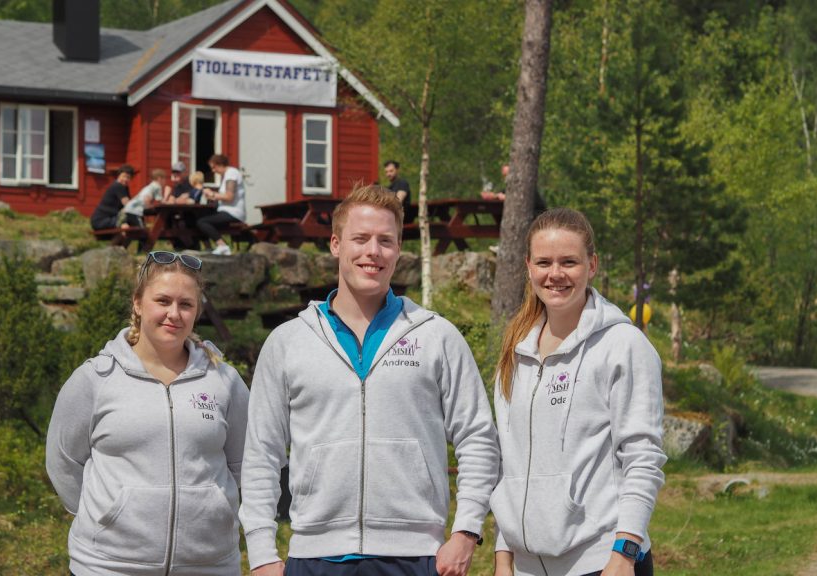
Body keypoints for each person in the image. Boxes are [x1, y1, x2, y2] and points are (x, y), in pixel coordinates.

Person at [239, 184, 500, 576]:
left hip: (415, 555)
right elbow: (261, 453)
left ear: (398, 250)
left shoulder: (437, 336)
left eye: (385, 241)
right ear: (335, 245)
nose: (373, 251)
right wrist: (261, 551)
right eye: (360, 239)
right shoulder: (288, 342)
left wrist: (466, 532)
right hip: (315, 556)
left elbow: (478, 438)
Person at [46, 250, 250, 576]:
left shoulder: (225, 381)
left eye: (186, 304)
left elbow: (246, 464)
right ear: (138, 303)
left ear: (197, 311)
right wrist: (108, 518)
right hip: (108, 567)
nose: (174, 314)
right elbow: (63, 462)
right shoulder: (95, 378)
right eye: (163, 301)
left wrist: (216, 510)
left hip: (209, 566)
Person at [488, 207, 666, 576]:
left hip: (603, 561)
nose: (555, 274)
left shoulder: (623, 345)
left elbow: (643, 457)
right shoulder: (516, 351)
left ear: (592, 265)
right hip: (526, 567)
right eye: (544, 262)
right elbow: (511, 464)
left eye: (569, 262)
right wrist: (503, 555)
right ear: (528, 267)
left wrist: (625, 551)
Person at [198, 154, 246, 256]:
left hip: (233, 213)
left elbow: (229, 196)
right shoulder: (226, 175)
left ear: (220, 164)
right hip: (226, 211)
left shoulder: (231, 173)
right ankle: (208, 248)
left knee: (202, 222)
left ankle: (223, 246)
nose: (213, 171)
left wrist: (212, 194)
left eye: (214, 167)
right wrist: (212, 196)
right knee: (198, 216)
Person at [90, 164, 136, 231]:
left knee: (131, 224)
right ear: (119, 175)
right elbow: (128, 205)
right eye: (124, 176)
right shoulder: (118, 186)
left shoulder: (124, 188)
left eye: (128, 177)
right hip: (101, 221)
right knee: (126, 226)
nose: (125, 179)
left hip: (108, 219)